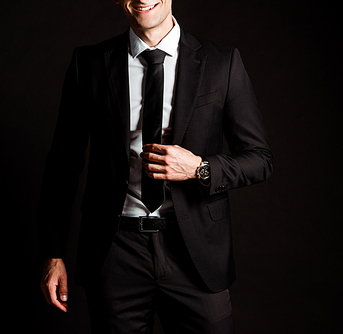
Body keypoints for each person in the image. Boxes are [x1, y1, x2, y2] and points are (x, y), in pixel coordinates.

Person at [39, 0, 273, 333]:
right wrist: (52, 252)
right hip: (115, 251)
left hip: (195, 251)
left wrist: (199, 167)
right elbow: (63, 165)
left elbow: (259, 159)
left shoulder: (222, 62)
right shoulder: (89, 63)